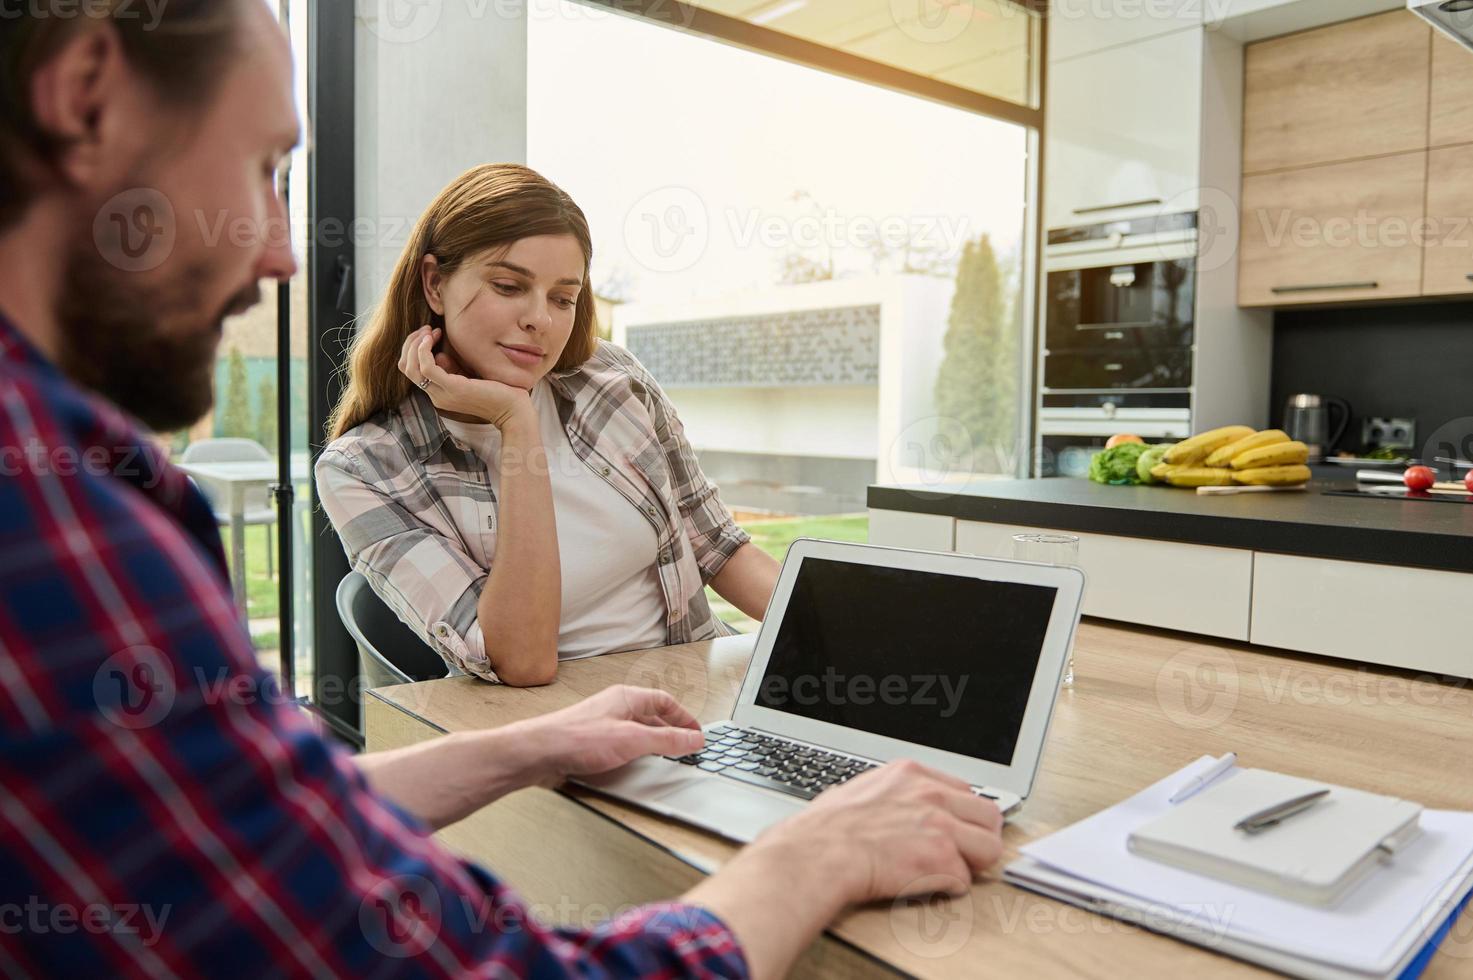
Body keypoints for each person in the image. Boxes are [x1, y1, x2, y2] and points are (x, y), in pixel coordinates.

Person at [0, 3, 1005, 976]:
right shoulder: (80, 521)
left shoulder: (82, 481)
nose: (279, 247)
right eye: (266, 169)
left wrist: (542, 743)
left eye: (562, 297)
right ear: (86, 95)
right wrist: (819, 848)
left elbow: (244, 808)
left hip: (671, 715)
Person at [317, 164, 781, 687]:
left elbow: (719, 547)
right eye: (510, 286)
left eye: (563, 298)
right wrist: (516, 423)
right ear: (434, 284)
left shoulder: (611, 379)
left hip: (696, 689)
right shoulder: (364, 469)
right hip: (556, 728)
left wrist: (838, 639)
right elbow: (520, 659)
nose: (541, 319)